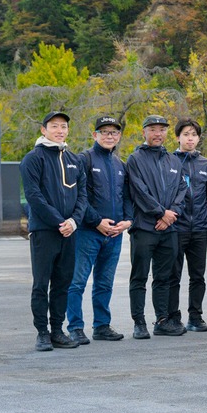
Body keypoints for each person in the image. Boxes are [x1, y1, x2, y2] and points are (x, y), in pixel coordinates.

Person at [22, 111, 87, 351]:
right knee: (41, 283)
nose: (60, 130)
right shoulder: (33, 158)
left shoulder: (74, 159)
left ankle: (58, 330)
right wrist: (60, 221)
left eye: (63, 127)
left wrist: (73, 222)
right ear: (43, 129)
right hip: (45, 231)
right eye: (54, 126)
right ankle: (42, 332)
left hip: (70, 231)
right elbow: (34, 196)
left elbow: (83, 196)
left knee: (63, 283)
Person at [66, 115, 132, 345]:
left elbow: (126, 197)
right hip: (88, 232)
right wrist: (96, 222)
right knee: (77, 281)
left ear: (119, 136)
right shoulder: (83, 159)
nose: (109, 136)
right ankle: (75, 327)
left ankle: (102, 325)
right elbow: (78, 197)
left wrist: (127, 220)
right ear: (95, 135)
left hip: (114, 234)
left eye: (114, 132)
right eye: (104, 132)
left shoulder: (119, 164)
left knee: (104, 283)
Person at [125, 115, 187, 339]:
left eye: (161, 130)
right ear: (144, 132)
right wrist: (161, 213)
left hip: (169, 229)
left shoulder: (173, 161)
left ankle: (162, 320)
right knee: (139, 276)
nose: (157, 134)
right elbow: (139, 192)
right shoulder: (135, 159)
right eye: (152, 129)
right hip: (144, 228)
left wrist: (171, 215)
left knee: (164, 277)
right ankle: (139, 323)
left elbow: (182, 190)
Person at [172, 118, 207, 332]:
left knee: (197, 275)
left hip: (199, 228)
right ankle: (173, 317)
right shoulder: (169, 161)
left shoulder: (206, 164)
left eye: (194, 135)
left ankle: (195, 317)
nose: (190, 138)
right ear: (178, 137)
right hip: (175, 228)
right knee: (174, 275)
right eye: (186, 134)